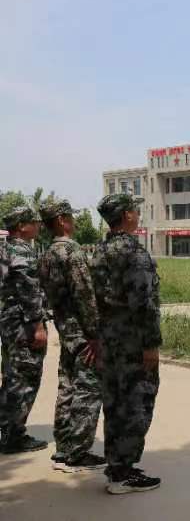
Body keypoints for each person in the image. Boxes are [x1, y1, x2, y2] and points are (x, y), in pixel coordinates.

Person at [91, 194, 161, 494]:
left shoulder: (98, 251)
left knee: (114, 403)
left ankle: (116, 465)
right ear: (127, 216)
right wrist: (151, 344)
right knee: (137, 403)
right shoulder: (134, 253)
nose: (138, 214)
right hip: (132, 342)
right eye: (135, 210)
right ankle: (123, 473)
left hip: (109, 339)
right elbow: (143, 304)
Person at [39, 198, 105, 472]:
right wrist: (95, 334)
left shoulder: (47, 254)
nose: (74, 221)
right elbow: (85, 296)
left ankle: (63, 448)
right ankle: (78, 453)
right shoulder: (72, 252)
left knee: (67, 386)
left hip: (65, 328)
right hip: (81, 331)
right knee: (89, 388)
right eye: (70, 217)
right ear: (61, 220)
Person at [0, 206, 49, 454]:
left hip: (9, 322)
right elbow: (29, 292)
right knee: (25, 379)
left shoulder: (4, 248)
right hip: (23, 325)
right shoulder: (21, 251)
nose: (38, 225)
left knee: (11, 376)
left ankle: (7, 430)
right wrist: (37, 325)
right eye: (33, 221)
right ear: (21, 226)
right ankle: (13, 436)